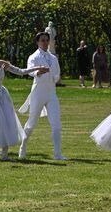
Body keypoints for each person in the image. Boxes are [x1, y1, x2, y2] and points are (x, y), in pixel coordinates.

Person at [18, 32, 67, 160]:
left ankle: (57, 154)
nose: (45, 42)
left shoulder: (53, 58)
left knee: (56, 124)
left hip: (51, 94)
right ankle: (23, 146)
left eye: (47, 40)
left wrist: (55, 77)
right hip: (38, 93)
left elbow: (57, 73)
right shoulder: (33, 57)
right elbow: (29, 70)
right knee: (32, 123)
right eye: (42, 40)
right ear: (38, 42)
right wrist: (37, 72)